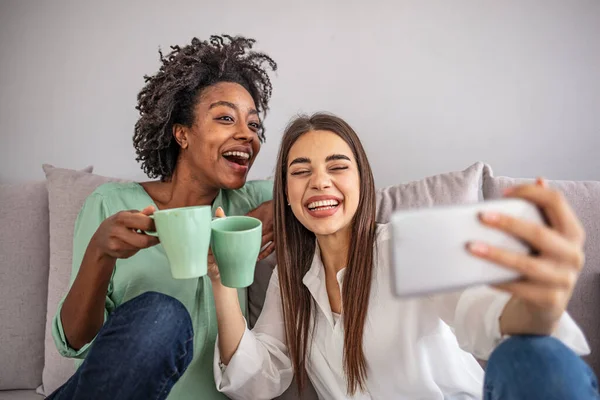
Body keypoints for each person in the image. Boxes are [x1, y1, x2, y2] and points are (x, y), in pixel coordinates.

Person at [211, 112, 599, 399]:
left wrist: (539, 308)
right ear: (286, 195)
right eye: (301, 171)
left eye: (337, 166)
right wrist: (221, 281)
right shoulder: (289, 279)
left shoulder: (406, 247)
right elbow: (258, 380)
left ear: (363, 182)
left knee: (535, 358)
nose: (319, 181)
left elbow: (481, 314)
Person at [48, 35, 277, 400]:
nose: (246, 136)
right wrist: (100, 254)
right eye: (225, 118)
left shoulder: (251, 203)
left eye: (254, 126)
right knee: (162, 315)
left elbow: (328, 194)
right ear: (182, 133)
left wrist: (281, 209)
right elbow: (75, 341)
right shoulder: (112, 205)